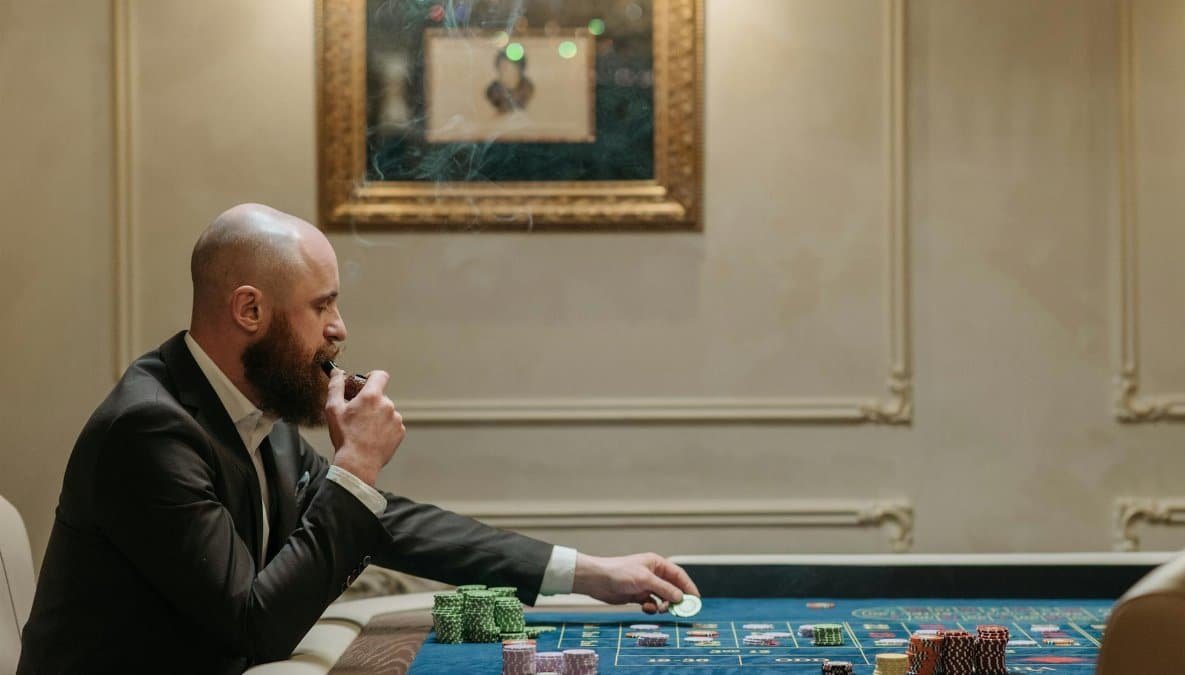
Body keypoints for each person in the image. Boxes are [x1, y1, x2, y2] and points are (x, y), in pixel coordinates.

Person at [18, 204, 699, 674]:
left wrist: (589, 572)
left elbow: (387, 522)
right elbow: (254, 624)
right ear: (249, 309)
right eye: (321, 306)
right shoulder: (151, 428)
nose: (340, 329)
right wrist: (355, 466)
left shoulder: (248, 413)